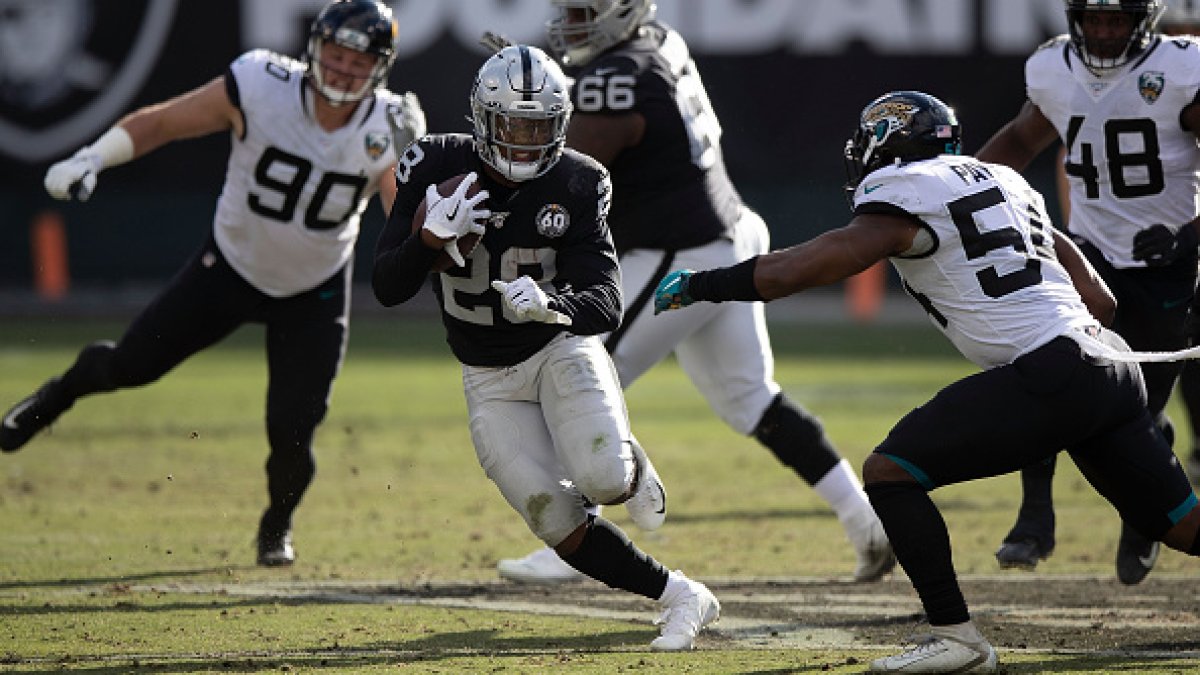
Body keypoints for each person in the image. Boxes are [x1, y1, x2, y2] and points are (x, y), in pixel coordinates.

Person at [654, 89, 1200, 674]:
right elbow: (1102, 298)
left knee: (891, 472)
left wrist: (705, 284)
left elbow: (814, 263)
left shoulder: (905, 192)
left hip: (1055, 371)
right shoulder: (1005, 181)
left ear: (884, 147)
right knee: (1180, 525)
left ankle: (957, 638)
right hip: (1112, 366)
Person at [0, 0, 427, 567]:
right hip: (228, 269)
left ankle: (276, 524)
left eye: (360, 60)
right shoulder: (259, 83)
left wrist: (420, 177)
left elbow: (404, 222)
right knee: (132, 365)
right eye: (337, 53)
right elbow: (162, 122)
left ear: (382, 67)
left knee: (294, 431)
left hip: (314, 290)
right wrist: (93, 157)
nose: (345, 69)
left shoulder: (390, 125)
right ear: (315, 47)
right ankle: (57, 396)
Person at [492, 0, 894, 586]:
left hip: (681, 250)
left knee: (577, 375)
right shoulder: (657, 41)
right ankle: (868, 523)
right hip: (724, 233)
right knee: (750, 399)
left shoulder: (615, 80)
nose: (570, 23)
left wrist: (529, 110)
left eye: (583, 11)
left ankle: (575, 542)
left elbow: (569, 169)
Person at [372, 44, 720, 651]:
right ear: (484, 118)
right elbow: (387, 286)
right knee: (551, 517)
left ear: (561, 124)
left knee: (604, 479)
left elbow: (606, 299)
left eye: (540, 126)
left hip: (558, 349)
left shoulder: (580, 180)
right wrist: (428, 241)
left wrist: (552, 304)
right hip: (485, 373)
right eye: (514, 125)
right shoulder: (433, 161)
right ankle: (682, 596)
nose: (527, 141)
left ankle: (629, 468)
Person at [974, 0, 1200, 585]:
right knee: (1045, 368)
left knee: (1137, 415)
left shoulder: (1180, 68)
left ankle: (1142, 517)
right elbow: (1022, 142)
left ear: (1141, 21)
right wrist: (957, 191)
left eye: (1115, 20)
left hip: (1166, 265)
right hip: (1091, 250)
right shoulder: (1054, 70)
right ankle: (1034, 516)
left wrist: (1188, 235)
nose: (1102, 33)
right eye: (1093, 19)